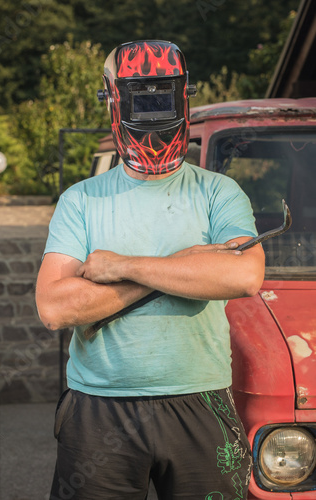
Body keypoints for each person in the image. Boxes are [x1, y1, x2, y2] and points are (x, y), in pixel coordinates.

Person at [36, 40, 265, 500]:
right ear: (113, 99)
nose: (153, 113)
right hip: (97, 409)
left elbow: (242, 277)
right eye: (143, 97)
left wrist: (120, 267)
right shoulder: (80, 200)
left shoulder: (219, 192)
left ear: (184, 96)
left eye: (162, 96)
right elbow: (55, 308)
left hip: (201, 401)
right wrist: (189, 266)